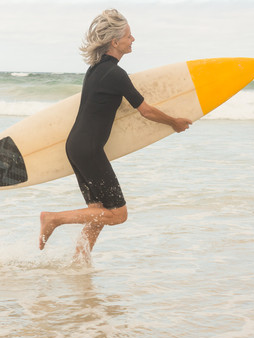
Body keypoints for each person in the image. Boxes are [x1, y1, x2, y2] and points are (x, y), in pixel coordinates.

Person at [39, 9, 192, 258]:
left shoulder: (95, 70)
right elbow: (146, 111)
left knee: (98, 212)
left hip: (75, 147)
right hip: (88, 150)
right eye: (129, 36)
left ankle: (80, 262)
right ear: (115, 41)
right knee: (118, 214)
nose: (133, 40)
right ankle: (53, 219)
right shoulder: (116, 74)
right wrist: (173, 122)